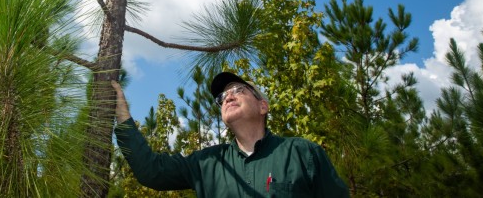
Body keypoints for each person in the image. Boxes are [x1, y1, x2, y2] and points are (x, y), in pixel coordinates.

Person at [112, 71, 349, 197]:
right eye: (222, 97)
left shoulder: (302, 153)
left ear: (262, 106)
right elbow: (151, 172)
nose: (228, 96)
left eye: (238, 89)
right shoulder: (207, 163)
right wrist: (122, 116)